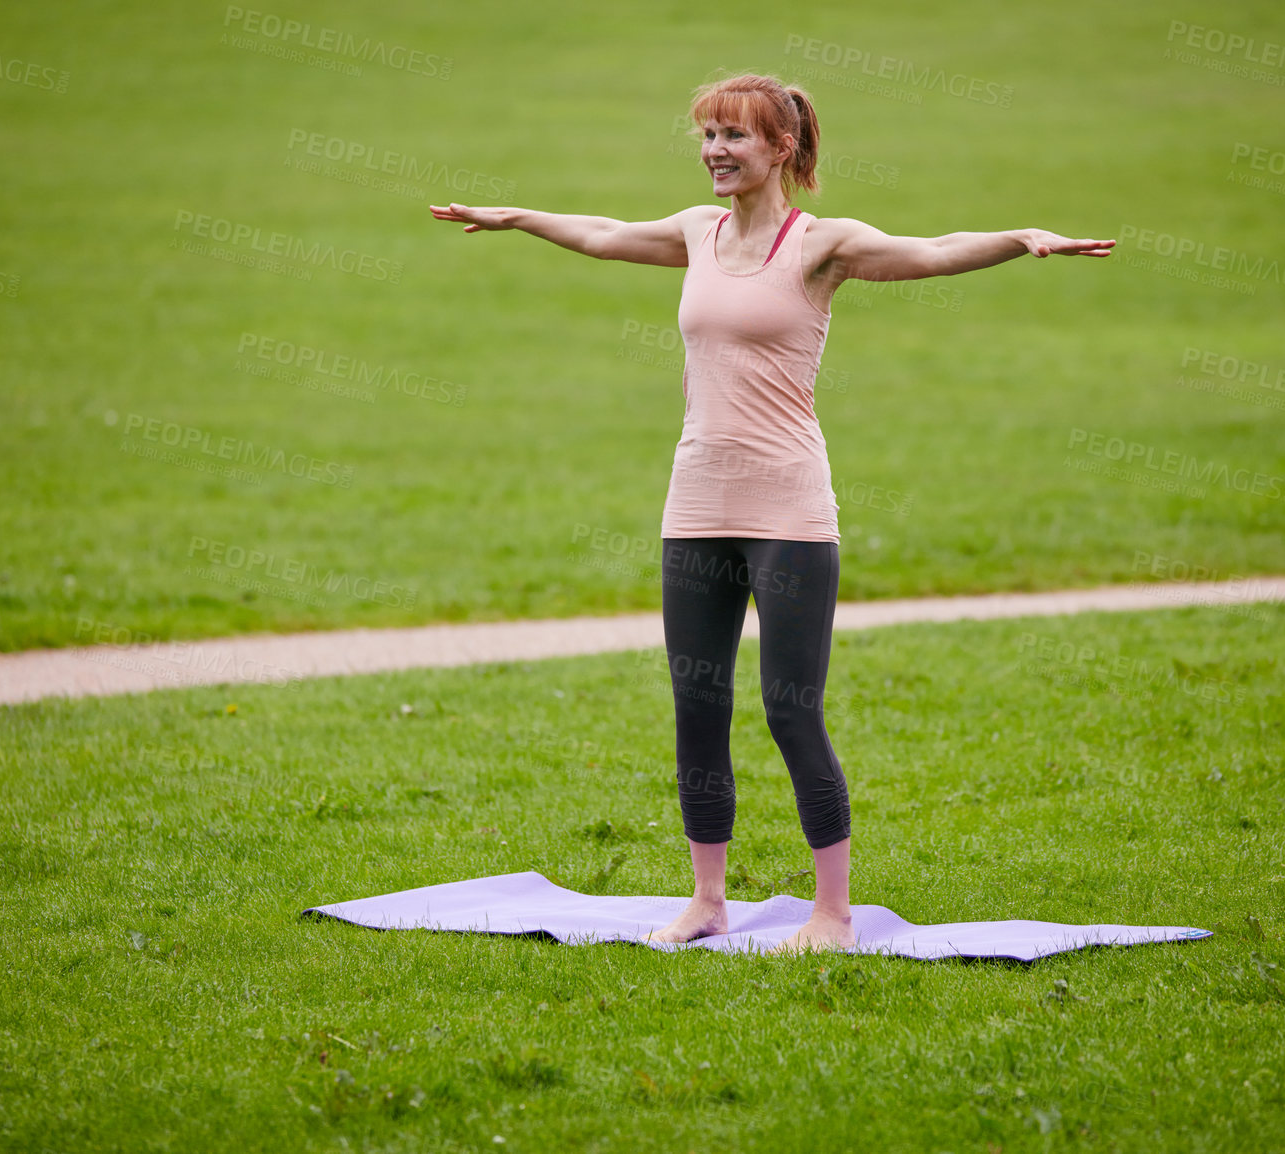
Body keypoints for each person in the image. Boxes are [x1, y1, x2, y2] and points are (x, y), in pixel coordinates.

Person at [430, 72, 1112, 954]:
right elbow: (602, 234)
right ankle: (707, 900)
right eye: (707, 135)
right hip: (696, 501)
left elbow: (934, 251)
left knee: (792, 711)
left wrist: (1021, 239)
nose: (715, 151)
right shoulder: (696, 232)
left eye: (734, 137)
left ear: (781, 149)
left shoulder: (822, 246)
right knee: (696, 702)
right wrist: (518, 217)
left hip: (787, 508)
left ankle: (833, 912)